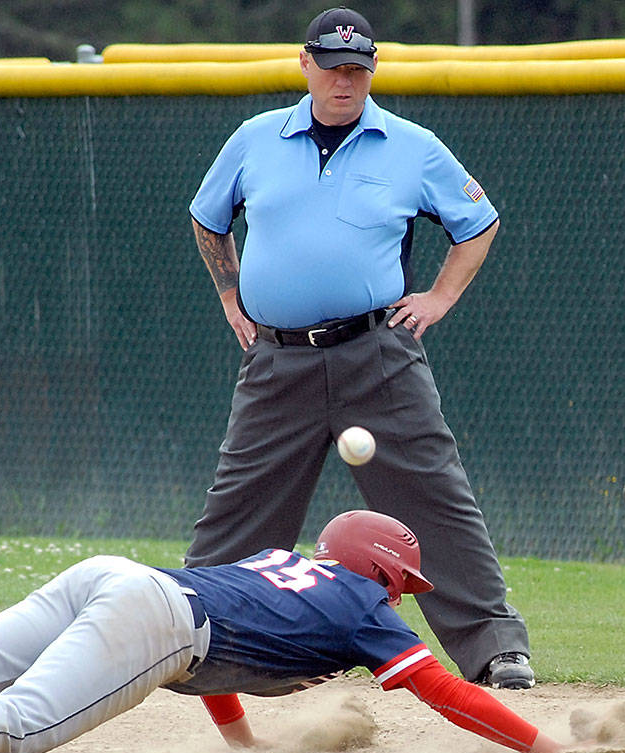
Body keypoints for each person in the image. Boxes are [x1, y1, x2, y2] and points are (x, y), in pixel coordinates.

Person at [184, 6, 533, 689]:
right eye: (333, 67)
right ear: (305, 65)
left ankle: (496, 647)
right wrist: (230, 295)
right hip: (277, 359)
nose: (345, 82)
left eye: (357, 71)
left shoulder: (410, 145)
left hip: (377, 355)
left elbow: (479, 222)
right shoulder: (256, 139)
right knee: (238, 508)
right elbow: (208, 217)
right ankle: (186, 636)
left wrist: (440, 297)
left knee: (435, 497)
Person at [0, 511, 564, 753]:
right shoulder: (363, 605)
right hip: (157, 615)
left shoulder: (284, 566)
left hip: (115, 578)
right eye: (399, 584)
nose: (397, 599)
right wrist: (546, 745)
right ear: (381, 570)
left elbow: (221, 658)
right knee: (10, 734)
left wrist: (243, 743)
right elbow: (444, 692)